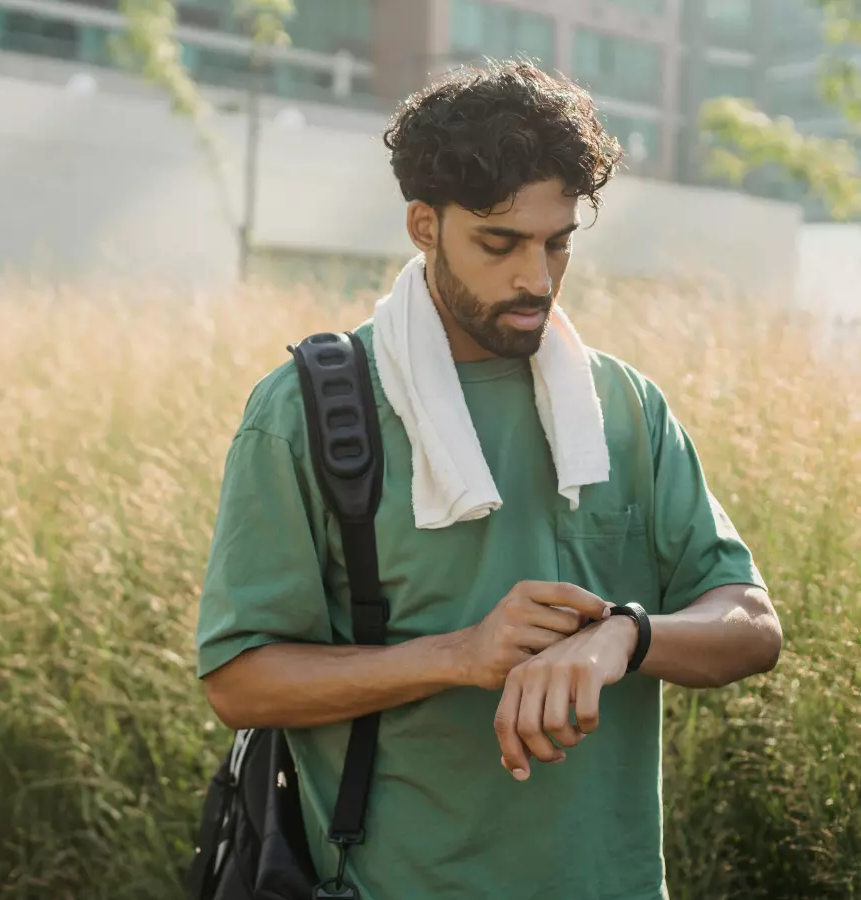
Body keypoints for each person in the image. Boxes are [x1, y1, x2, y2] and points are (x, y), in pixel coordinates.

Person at [193, 61, 783, 900]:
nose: (535, 280)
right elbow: (239, 681)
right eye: (500, 244)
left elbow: (752, 624)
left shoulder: (625, 406)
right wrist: (459, 655)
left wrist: (626, 635)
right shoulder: (307, 412)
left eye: (558, 242)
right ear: (424, 225)